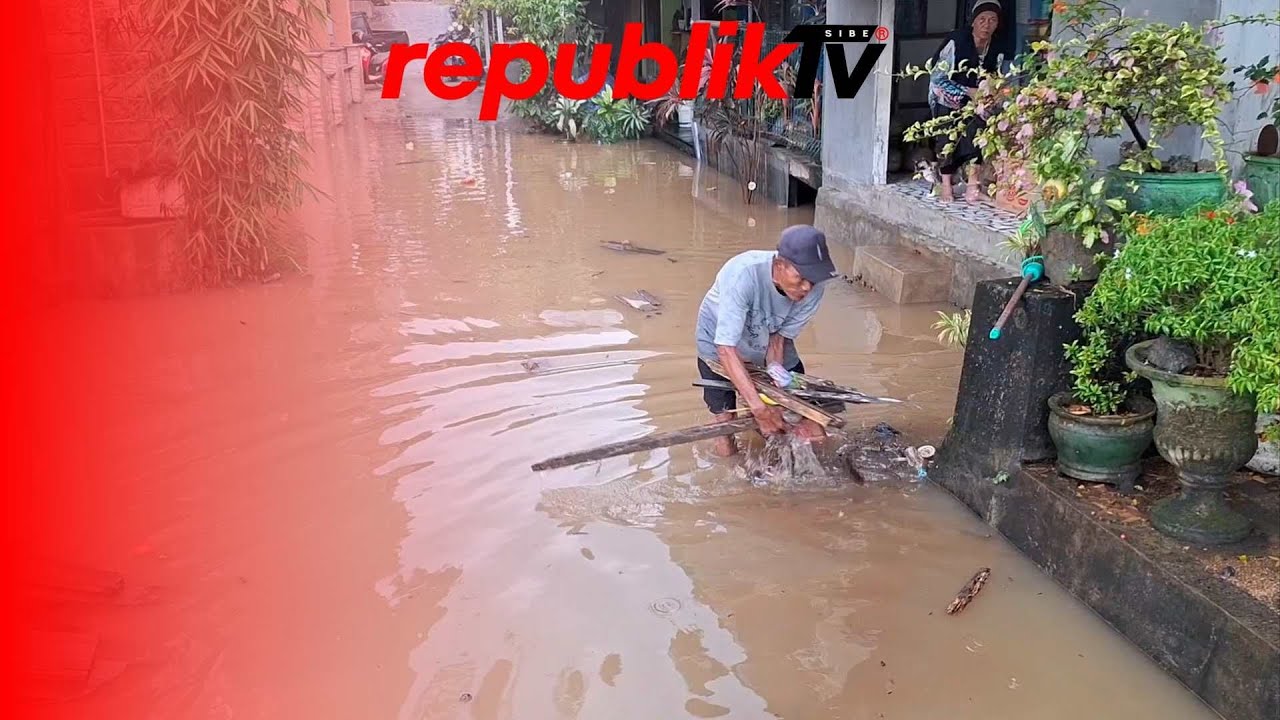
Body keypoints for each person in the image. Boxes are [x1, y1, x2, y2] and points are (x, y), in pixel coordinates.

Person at [695, 224, 838, 457]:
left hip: (766, 340)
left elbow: (778, 340)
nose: (807, 287)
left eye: (813, 280)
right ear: (779, 265)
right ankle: (731, 470)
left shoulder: (814, 288)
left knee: (806, 413)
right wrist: (758, 407)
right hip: (719, 346)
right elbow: (725, 349)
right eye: (801, 277)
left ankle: (808, 468)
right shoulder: (743, 275)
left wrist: (775, 380)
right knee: (725, 419)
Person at [928, 0, 1003, 203]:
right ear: (973, 22)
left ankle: (973, 184)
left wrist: (991, 93)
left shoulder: (996, 45)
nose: (987, 24)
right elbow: (937, 78)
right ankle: (946, 186)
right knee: (947, 138)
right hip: (947, 94)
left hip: (977, 98)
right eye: (982, 19)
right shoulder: (957, 41)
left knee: (979, 132)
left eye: (992, 20)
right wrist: (967, 91)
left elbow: (996, 76)